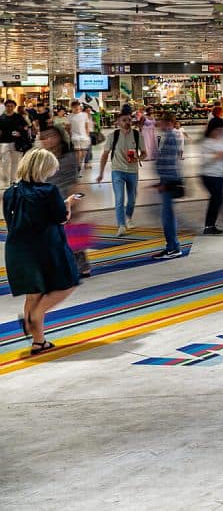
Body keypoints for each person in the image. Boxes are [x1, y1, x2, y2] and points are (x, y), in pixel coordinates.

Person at [5, 148, 81, 356]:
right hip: (47, 246)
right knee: (69, 282)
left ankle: (38, 342)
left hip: (18, 248)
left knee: (34, 291)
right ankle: (36, 315)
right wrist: (68, 204)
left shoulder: (10, 191)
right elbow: (61, 218)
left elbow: (11, 220)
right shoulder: (48, 191)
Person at [41, 127, 91, 278]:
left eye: (50, 136)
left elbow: (74, 182)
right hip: (47, 201)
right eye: (43, 137)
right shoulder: (42, 158)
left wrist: (75, 202)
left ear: (58, 138)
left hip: (64, 201)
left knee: (70, 235)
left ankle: (82, 266)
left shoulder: (68, 158)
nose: (46, 140)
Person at [97, 112, 143, 238]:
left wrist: (138, 157)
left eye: (129, 120)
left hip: (133, 171)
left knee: (132, 199)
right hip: (117, 170)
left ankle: (128, 217)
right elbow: (105, 155)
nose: (127, 122)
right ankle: (121, 225)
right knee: (119, 199)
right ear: (117, 122)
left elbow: (145, 153)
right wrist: (100, 173)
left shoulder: (137, 135)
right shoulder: (113, 136)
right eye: (124, 120)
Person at [152, 113, 184, 260]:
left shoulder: (171, 137)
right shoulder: (168, 136)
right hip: (167, 180)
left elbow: (168, 161)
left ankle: (173, 247)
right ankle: (172, 246)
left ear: (169, 123)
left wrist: (164, 183)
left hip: (169, 181)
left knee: (167, 217)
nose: (160, 124)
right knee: (168, 216)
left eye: (162, 122)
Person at [199, 118, 223, 236]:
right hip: (209, 176)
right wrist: (218, 155)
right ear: (212, 129)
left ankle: (210, 225)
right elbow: (205, 160)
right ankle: (209, 225)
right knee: (216, 200)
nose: (220, 132)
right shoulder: (206, 142)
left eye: (222, 129)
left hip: (220, 175)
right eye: (218, 129)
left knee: (217, 200)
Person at [0, 98, 30, 186]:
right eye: (8, 106)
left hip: (16, 142)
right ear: (5, 107)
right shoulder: (1, 118)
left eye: (11, 106)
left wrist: (20, 132)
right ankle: (6, 178)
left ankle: (13, 180)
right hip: (3, 142)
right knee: (4, 162)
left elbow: (26, 126)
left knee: (15, 162)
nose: (9, 108)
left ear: (14, 107)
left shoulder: (18, 116)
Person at [68, 100, 94, 171]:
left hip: (84, 135)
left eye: (77, 106)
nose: (76, 108)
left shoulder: (84, 115)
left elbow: (87, 126)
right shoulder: (70, 116)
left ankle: (80, 162)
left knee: (84, 151)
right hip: (75, 135)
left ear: (80, 106)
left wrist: (87, 135)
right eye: (74, 107)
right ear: (72, 107)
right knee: (78, 151)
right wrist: (70, 134)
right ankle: (78, 164)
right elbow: (69, 127)